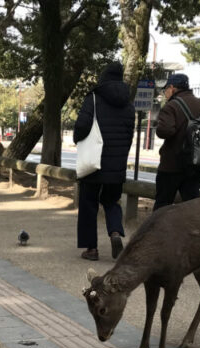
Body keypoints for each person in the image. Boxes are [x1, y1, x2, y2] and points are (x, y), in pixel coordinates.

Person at [72, 61, 134, 261]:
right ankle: (115, 233)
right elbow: (129, 134)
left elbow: (82, 125)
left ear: (103, 77)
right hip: (117, 164)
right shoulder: (128, 103)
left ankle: (91, 249)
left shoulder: (93, 99)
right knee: (112, 201)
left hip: (94, 161)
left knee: (88, 203)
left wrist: (77, 139)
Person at [154, 73, 200, 210]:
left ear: (172, 88)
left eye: (166, 90)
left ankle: (161, 225)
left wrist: (160, 126)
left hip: (172, 166)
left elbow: (165, 131)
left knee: (162, 205)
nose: (165, 93)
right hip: (196, 166)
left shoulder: (171, 106)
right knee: (192, 207)